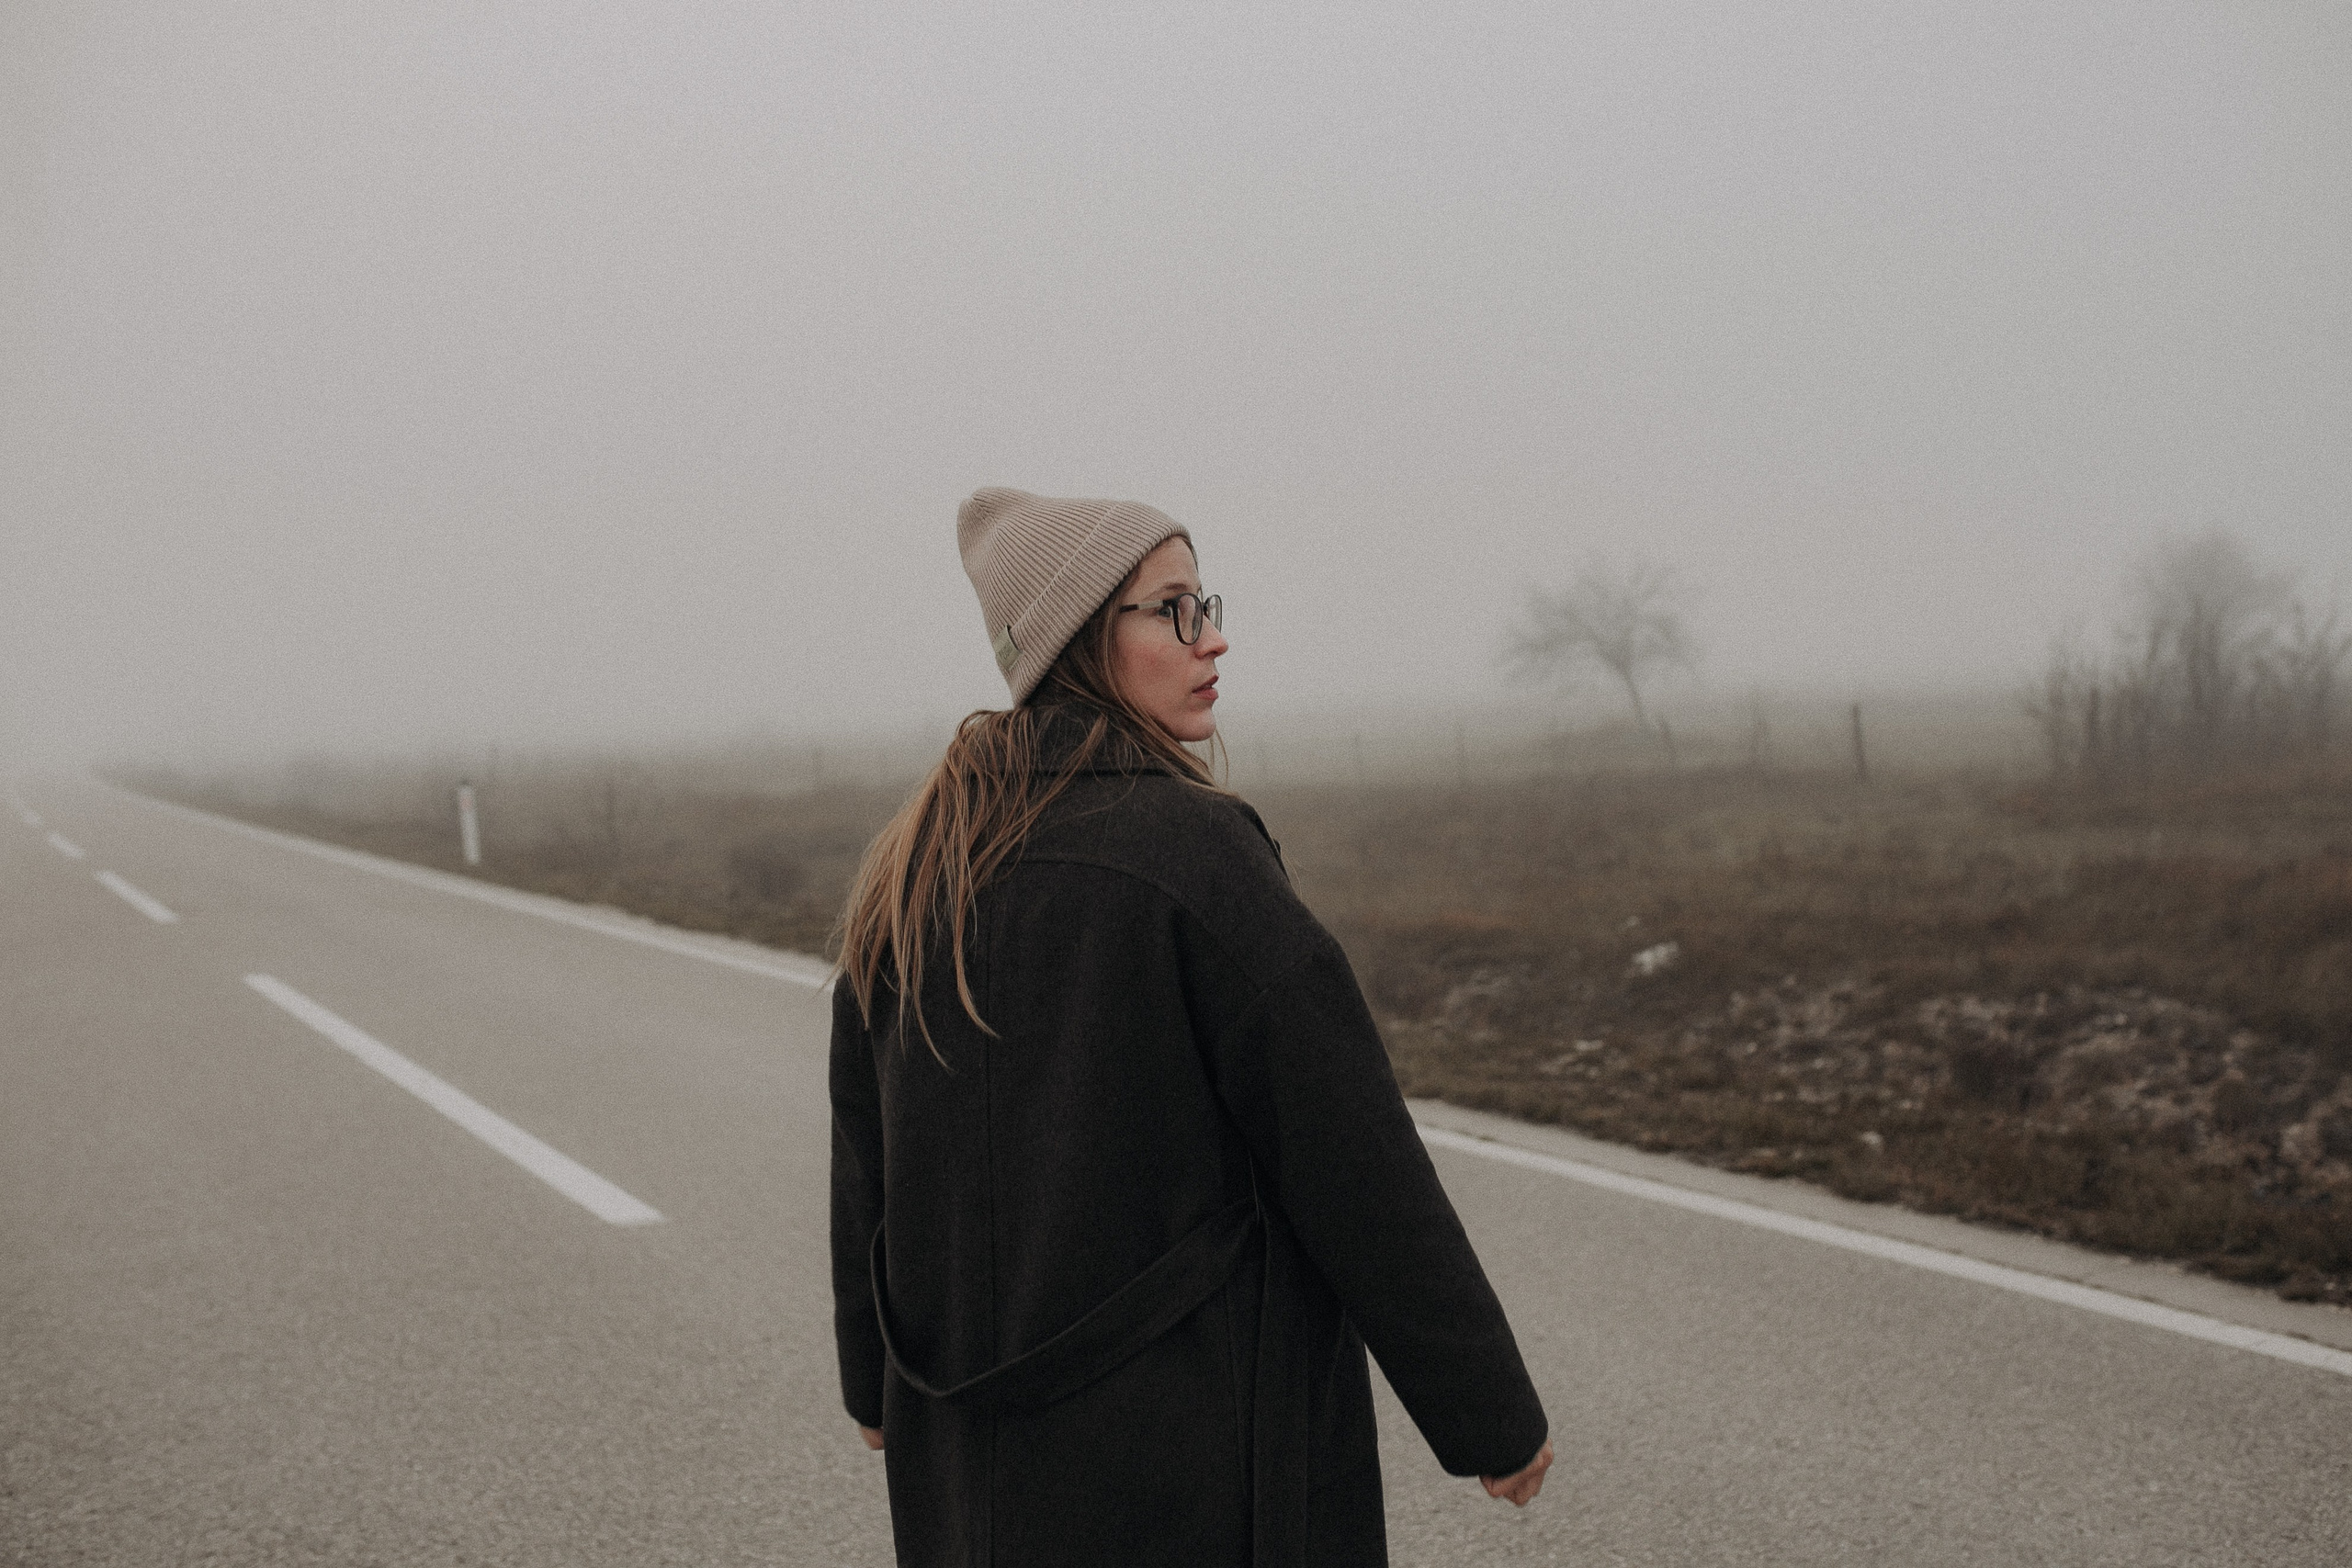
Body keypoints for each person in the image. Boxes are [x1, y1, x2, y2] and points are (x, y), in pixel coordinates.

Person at [830, 488, 1551, 1567]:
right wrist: (1488, 1413)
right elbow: (1349, 1152)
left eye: (1201, 602)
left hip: (967, 1462)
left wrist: (873, 1380)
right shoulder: (1194, 853)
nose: (1211, 636)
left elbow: (867, 1173)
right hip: (1197, 1466)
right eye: (1170, 609)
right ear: (1078, 641)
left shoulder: (916, 863)